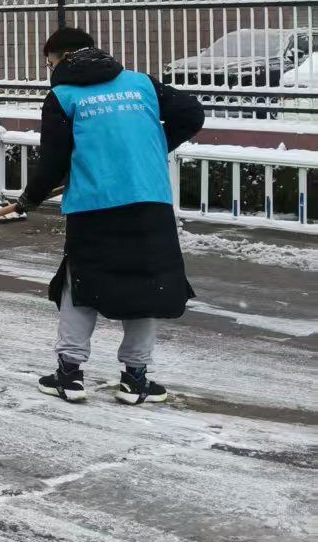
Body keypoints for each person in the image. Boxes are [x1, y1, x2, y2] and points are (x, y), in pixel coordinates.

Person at [13, 27, 205, 405]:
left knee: (80, 286)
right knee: (147, 286)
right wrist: (151, 147)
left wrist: (29, 199)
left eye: (48, 62)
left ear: (57, 58)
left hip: (94, 205)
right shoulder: (141, 84)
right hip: (149, 200)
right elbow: (191, 113)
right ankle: (135, 379)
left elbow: (53, 162)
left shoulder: (63, 96)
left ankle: (69, 375)